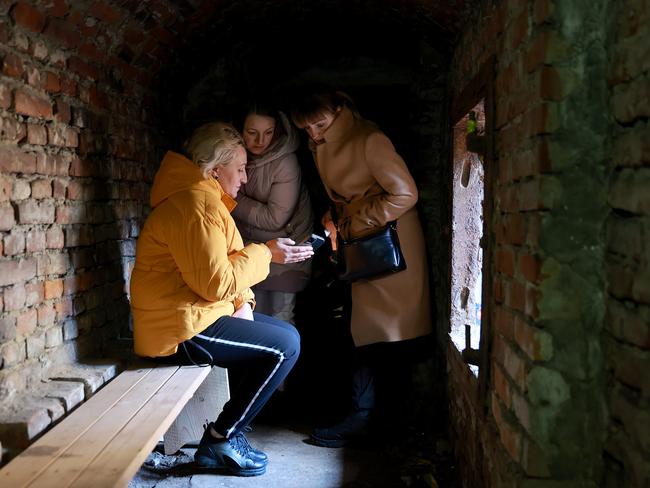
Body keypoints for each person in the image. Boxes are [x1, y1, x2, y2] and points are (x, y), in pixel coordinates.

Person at [129, 122, 314, 476]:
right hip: (178, 329)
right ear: (215, 168)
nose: (245, 178)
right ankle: (221, 438)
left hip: (192, 315)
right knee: (284, 345)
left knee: (281, 337)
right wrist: (266, 253)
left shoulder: (203, 201)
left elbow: (223, 265)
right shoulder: (194, 206)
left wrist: (243, 302)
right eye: (241, 168)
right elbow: (216, 282)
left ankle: (225, 433)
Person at [291, 89, 432, 447]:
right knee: (364, 333)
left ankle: (378, 423)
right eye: (306, 129)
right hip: (366, 245)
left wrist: (356, 221)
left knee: (387, 337)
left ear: (340, 110)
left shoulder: (370, 139)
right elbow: (347, 195)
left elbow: (406, 194)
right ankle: (371, 420)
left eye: (320, 124)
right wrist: (336, 215)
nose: (315, 134)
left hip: (391, 247)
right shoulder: (324, 142)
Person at [231, 104, 314, 324]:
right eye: (252, 132)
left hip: (286, 253)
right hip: (250, 251)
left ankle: (282, 359)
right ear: (240, 130)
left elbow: (274, 218)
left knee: (280, 318)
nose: (260, 140)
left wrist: (229, 200)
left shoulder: (285, 162)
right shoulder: (234, 157)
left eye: (268, 132)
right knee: (249, 317)